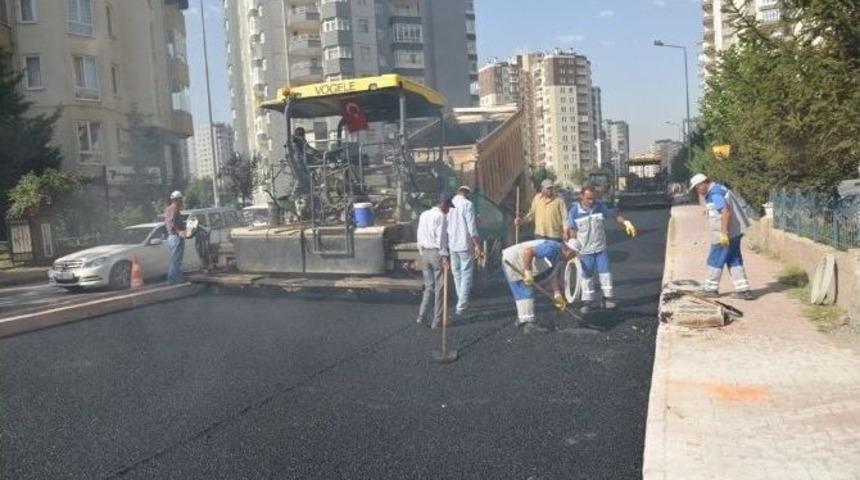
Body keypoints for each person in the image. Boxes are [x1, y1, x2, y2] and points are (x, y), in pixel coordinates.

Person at [566, 185, 637, 313]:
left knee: (605, 273)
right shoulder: (574, 212)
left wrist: (626, 222)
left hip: (600, 248)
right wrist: (573, 248)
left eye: (593, 198)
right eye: (588, 199)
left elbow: (614, 215)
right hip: (585, 251)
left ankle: (607, 299)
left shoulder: (599, 206)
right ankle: (587, 301)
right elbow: (572, 231)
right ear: (581, 196)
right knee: (586, 276)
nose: (591, 201)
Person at [689, 174, 753, 299]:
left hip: (725, 233)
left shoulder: (715, 193)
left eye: (697, 187)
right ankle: (744, 290)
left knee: (715, 259)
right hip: (735, 231)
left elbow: (726, 212)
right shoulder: (719, 189)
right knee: (734, 259)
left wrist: (724, 233)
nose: (698, 190)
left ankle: (711, 289)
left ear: (703, 183)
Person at [502, 238, 578, 334]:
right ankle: (528, 324)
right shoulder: (552, 248)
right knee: (525, 291)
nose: (573, 258)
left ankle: (523, 318)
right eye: (573, 255)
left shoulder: (559, 256)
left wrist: (557, 294)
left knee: (524, 291)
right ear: (569, 251)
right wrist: (528, 271)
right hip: (513, 260)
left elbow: (552, 275)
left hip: (520, 261)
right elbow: (528, 252)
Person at [416, 194, 453, 328]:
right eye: (448, 207)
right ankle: (437, 321)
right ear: (443, 204)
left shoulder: (424, 214)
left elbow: (419, 234)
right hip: (436, 253)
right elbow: (441, 238)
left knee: (428, 287)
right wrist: (444, 256)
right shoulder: (441, 216)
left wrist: (421, 251)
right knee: (440, 288)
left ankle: (421, 314)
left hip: (425, 252)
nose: (449, 210)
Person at [447, 185, 482, 316]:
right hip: (465, 244)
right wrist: (477, 244)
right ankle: (461, 305)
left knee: (457, 274)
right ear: (467, 193)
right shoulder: (468, 204)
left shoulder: (449, 204)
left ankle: (462, 300)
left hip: (452, 244)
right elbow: (471, 228)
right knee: (466, 273)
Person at [163, 190, 187, 284]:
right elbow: (173, 221)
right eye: (180, 199)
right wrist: (179, 232)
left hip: (171, 237)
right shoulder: (175, 208)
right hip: (176, 236)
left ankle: (177, 278)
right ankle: (173, 280)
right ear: (177, 200)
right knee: (176, 259)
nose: (181, 201)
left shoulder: (167, 209)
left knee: (175, 259)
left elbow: (169, 222)